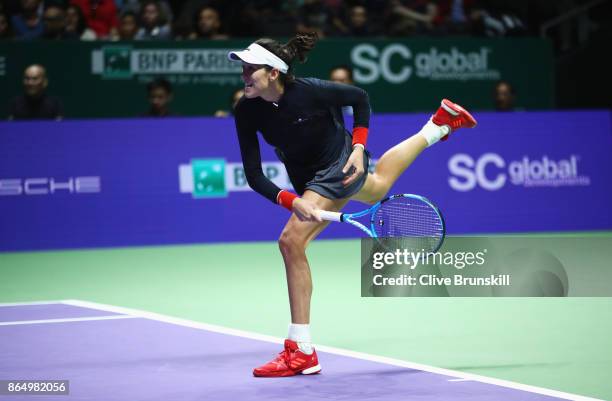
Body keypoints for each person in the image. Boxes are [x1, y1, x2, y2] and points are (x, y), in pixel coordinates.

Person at [228, 33, 477, 378]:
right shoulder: (246, 110)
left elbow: (359, 99)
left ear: (273, 72)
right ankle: (437, 126)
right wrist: (293, 200)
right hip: (308, 178)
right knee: (376, 189)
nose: (243, 75)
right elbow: (254, 175)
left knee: (291, 241)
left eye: (250, 68)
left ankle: (300, 349)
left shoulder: (310, 91)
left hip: (338, 164)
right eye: (243, 68)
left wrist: (359, 148)